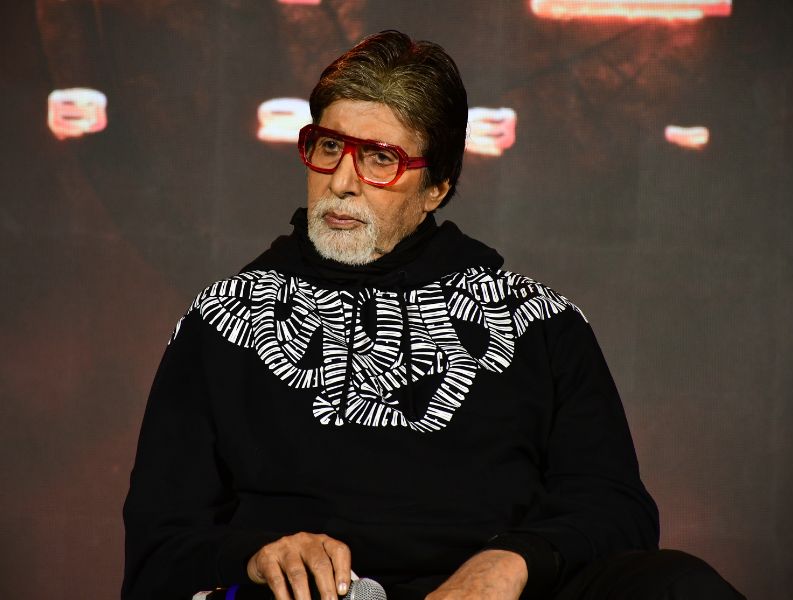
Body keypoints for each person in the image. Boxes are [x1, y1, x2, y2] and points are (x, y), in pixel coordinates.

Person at [122, 30, 745, 600]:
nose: (342, 181)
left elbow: (618, 510)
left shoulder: (541, 322)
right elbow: (157, 551)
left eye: (380, 158)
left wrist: (511, 562)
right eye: (330, 147)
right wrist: (256, 557)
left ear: (437, 187)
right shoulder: (220, 321)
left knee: (680, 586)